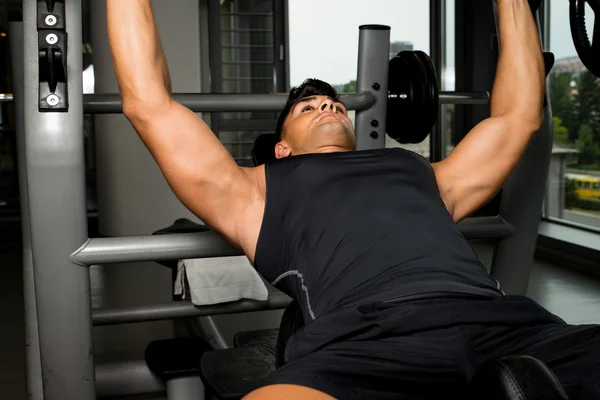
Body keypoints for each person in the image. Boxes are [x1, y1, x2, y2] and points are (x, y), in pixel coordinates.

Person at [106, 0, 600, 399]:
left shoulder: (418, 171)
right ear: (282, 149)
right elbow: (149, 103)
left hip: (506, 325)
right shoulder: (255, 190)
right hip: (366, 343)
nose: (327, 103)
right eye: (307, 105)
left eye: (332, 101)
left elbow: (517, 117)